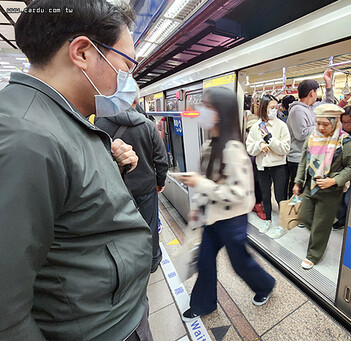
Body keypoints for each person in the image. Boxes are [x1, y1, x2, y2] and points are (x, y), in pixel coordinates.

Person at [0, 1, 154, 340]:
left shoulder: (62, 119)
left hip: (110, 314)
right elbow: (6, 312)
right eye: (126, 64)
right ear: (82, 52)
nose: (129, 78)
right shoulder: (25, 138)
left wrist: (111, 165)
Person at [176, 87, 275, 321]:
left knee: (240, 262)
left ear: (220, 113)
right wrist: (197, 207)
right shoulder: (210, 145)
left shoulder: (234, 149)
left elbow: (239, 193)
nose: (201, 111)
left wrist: (200, 183)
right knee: (204, 261)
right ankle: (203, 304)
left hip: (232, 220)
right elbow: (208, 183)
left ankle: (265, 285)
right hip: (213, 217)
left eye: (207, 106)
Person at [94, 92, 169, 273]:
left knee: (123, 228)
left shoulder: (99, 124)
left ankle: (130, 264)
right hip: (146, 186)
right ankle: (152, 260)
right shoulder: (148, 125)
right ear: (134, 102)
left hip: (117, 187)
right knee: (150, 225)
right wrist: (160, 181)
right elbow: (161, 159)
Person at [293, 104, 351, 270]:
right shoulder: (312, 138)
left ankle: (313, 254)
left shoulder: (345, 142)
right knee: (306, 218)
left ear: (335, 122)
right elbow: (303, 162)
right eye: (318, 123)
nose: (321, 127)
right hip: (310, 186)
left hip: (330, 191)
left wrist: (334, 180)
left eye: (325, 124)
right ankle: (322, 230)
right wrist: (298, 181)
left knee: (320, 225)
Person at [286, 68, 335, 198]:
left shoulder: (312, 107)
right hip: (297, 158)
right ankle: (292, 216)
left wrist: (328, 84)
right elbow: (301, 134)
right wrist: (320, 126)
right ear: (312, 93)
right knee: (297, 190)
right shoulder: (297, 110)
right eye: (317, 91)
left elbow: (329, 103)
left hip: (311, 155)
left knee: (307, 190)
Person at [246, 94, 291, 233]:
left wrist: (270, 140)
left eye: (276, 107)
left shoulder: (282, 126)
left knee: (280, 196)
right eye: (271, 107)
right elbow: (249, 148)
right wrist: (260, 145)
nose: (274, 110)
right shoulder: (256, 127)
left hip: (278, 166)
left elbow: (286, 148)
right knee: (265, 195)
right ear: (264, 108)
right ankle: (268, 220)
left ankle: (283, 224)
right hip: (262, 167)